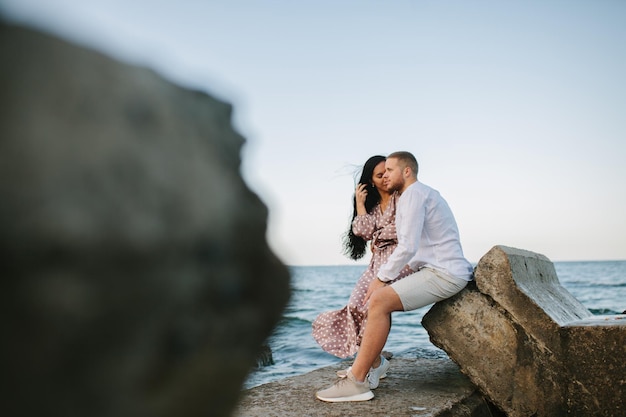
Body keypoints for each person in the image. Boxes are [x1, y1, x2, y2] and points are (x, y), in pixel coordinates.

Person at [316, 151, 474, 402]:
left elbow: (407, 246)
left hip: (443, 273)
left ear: (407, 171)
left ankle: (356, 381)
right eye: (382, 172)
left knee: (378, 301)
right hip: (439, 270)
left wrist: (381, 278)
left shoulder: (412, 196)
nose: (385, 176)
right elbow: (388, 237)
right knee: (374, 302)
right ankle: (365, 371)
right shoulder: (420, 194)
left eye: (389, 170)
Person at [312, 156, 413, 366]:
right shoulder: (374, 207)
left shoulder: (402, 197)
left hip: (399, 262)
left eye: (388, 171)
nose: (386, 176)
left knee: (372, 305)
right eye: (379, 175)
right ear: (371, 181)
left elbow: (402, 232)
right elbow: (363, 232)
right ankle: (374, 361)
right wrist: (360, 203)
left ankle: (369, 365)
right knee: (355, 305)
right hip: (376, 265)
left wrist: (379, 235)